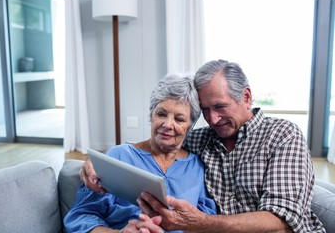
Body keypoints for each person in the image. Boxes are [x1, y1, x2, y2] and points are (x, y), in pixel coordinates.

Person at [80, 60, 325, 233]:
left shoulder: (283, 135)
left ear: (247, 97)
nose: (213, 119)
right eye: (206, 110)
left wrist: (199, 223)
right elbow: (157, 146)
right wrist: (94, 164)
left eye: (220, 106)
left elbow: (282, 219)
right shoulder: (201, 141)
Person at [64, 74, 217, 233]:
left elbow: (205, 222)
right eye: (161, 114)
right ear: (152, 115)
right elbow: (80, 216)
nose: (167, 125)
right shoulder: (119, 156)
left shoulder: (197, 167)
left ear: (190, 127)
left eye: (179, 119)